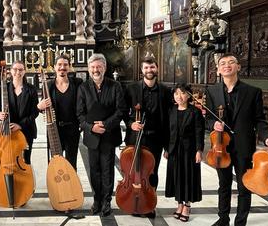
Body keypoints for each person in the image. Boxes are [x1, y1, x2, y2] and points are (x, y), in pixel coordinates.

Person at [206, 53, 268, 226]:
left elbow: (259, 120)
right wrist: (213, 124)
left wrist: (267, 137)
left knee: (244, 186)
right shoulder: (212, 91)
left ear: (238, 67)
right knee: (224, 185)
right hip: (220, 146)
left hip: (244, 146)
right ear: (218, 69)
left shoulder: (252, 92)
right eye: (222, 63)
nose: (227, 65)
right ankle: (223, 219)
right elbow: (207, 118)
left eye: (231, 62)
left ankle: (240, 222)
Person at [77, 53, 126, 217]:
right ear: (88, 69)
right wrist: (91, 127)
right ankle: (96, 200)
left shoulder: (115, 86)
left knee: (107, 171)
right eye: (92, 67)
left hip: (109, 134)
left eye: (98, 66)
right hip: (92, 136)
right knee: (94, 170)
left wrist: (105, 124)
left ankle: (106, 202)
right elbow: (79, 114)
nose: (95, 70)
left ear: (104, 68)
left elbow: (121, 111)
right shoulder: (83, 88)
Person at [124, 56, 172, 218]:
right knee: (134, 172)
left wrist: (167, 145)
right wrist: (131, 123)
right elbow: (123, 112)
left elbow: (168, 119)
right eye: (146, 68)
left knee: (151, 172)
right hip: (135, 137)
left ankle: (149, 204)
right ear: (141, 70)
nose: (149, 71)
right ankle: (133, 201)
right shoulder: (131, 89)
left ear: (157, 69)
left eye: (152, 67)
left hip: (156, 139)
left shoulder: (165, 91)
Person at [164, 83, 205, 223]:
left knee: (188, 176)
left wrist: (199, 150)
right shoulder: (171, 110)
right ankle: (179, 204)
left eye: (182, 93)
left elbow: (199, 132)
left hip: (190, 150)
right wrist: (166, 149)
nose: (179, 96)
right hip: (174, 149)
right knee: (177, 176)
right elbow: (168, 132)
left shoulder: (195, 112)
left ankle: (187, 205)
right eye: (176, 94)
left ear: (188, 95)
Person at [37, 54, 83, 170]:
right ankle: (57, 188)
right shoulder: (48, 85)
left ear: (69, 67)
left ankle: (71, 187)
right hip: (54, 129)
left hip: (72, 129)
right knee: (55, 162)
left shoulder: (77, 83)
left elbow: (83, 104)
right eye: (59, 64)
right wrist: (40, 107)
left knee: (71, 163)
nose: (62, 67)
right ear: (54, 67)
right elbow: (44, 110)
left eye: (65, 65)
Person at [0, 60, 39, 164]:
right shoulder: (3, 87)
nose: (18, 72)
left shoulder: (31, 89)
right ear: (10, 71)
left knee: (25, 161)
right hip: (8, 131)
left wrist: (20, 125)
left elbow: (34, 112)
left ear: (24, 72)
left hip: (26, 131)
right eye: (15, 69)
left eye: (20, 70)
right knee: (9, 161)